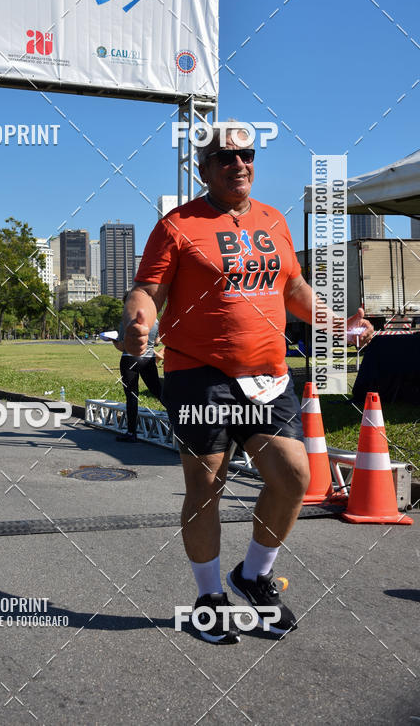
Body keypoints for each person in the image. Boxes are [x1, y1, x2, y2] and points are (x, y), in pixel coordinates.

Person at [122, 125, 373, 643]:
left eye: (246, 155)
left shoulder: (273, 220)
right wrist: (136, 323)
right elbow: (147, 289)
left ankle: (254, 575)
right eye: (224, 158)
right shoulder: (177, 225)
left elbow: (294, 287)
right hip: (200, 375)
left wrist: (334, 320)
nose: (239, 164)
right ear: (204, 169)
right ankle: (209, 597)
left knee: (293, 477)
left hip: (268, 374)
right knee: (206, 486)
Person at [113, 304, 164, 443]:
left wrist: (112, 340)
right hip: (148, 359)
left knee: (132, 395)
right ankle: (178, 421)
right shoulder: (155, 320)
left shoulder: (127, 320)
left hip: (130, 359)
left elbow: (123, 346)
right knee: (158, 391)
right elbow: (157, 342)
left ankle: (131, 432)